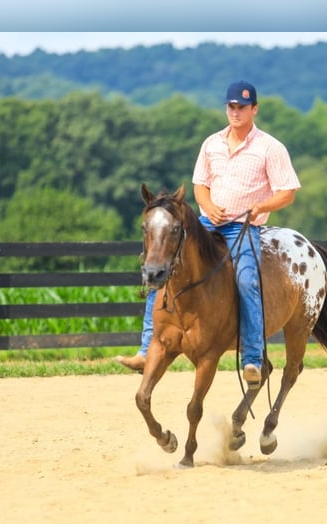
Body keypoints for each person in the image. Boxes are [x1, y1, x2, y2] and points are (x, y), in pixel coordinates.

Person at [116, 80, 301, 385]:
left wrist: (261, 206)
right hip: (207, 224)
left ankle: (252, 357)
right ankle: (146, 347)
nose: (235, 112)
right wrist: (207, 204)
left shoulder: (270, 147)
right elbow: (200, 185)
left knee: (246, 279)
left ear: (254, 109)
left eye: (242, 107)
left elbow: (288, 192)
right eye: (231, 106)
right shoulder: (211, 143)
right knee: (163, 271)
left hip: (244, 227)